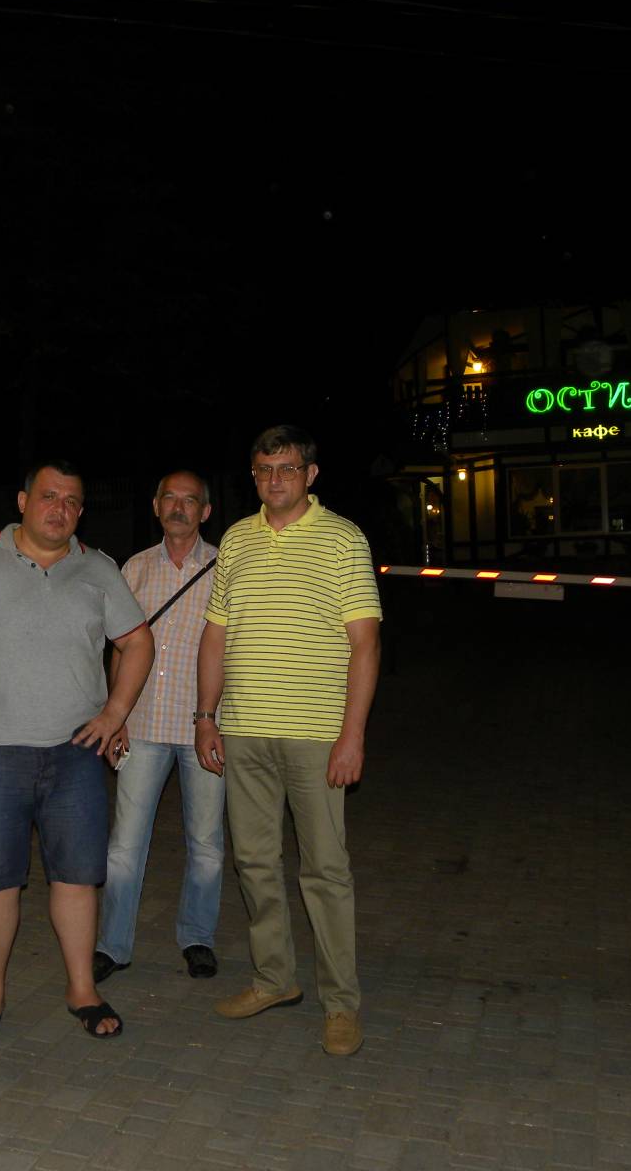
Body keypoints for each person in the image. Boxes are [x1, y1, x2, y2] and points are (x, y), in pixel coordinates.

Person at [0, 460, 155, 1047]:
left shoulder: (97, 569)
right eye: (48, 497)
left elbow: (138, 642)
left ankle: (82, 989)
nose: (59, 509)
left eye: (71, 501)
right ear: (23, 502)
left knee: (77, 878)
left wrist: (115, 713)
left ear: (81, 512)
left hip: (75, 753)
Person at [194, 424, 382, 1057]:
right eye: (264, 470)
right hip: (244, 730)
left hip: (315, 733)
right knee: (254, 862)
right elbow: (216, 635)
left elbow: (365, 643)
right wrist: (205, 715)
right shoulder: (237, 540)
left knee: (325, 871)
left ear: (311, 474)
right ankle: (275, 979)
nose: (274, 480)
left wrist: (352, 735)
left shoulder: (343, 540)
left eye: (287, 469)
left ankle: (342, 1004)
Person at [96, 471, 223, 984]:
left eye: (190, 500)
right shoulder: (134, 568)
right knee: (124, 847)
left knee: (207, 844)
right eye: (170, 498)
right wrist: (116, 715)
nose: (178, 507)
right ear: (155, 506)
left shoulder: (225, 567)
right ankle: (113, 945)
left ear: (205, 511)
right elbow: (119, 647)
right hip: (143, 724)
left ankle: (198, 938)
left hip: (203, 727)